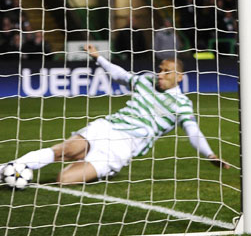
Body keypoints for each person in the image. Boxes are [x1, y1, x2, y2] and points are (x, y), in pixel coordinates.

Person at [2, 44, 229, 185]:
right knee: (65, 150)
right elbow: (121, 75)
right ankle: (8, 168)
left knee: (64, 180)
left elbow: (193, 131)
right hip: (107, 128)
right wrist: (98, 58)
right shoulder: (146, 81)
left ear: (179, 77)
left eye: (167, 72)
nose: (160, 74)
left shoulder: (182, 105)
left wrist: (209, 154)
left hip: (123, 148)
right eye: (160, 69)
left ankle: (96, 167)